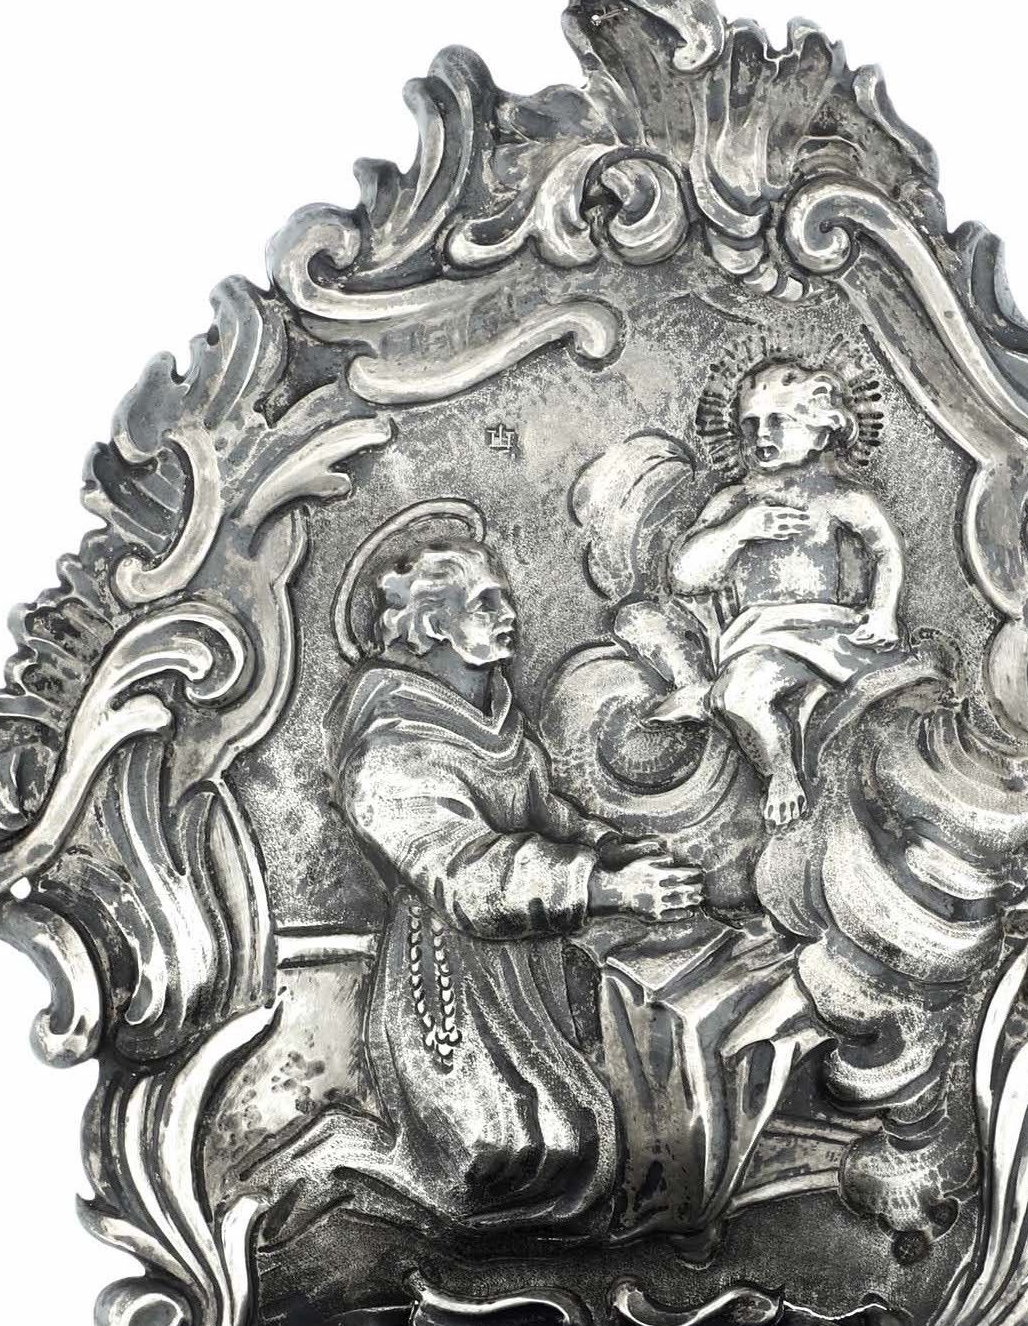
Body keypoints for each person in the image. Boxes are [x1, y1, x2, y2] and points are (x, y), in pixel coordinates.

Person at [257, 524, 702, 1242]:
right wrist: (607, 887)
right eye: (484, 602)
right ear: (432, 623)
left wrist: (609, 847)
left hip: (523, 972)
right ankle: (334, 1165)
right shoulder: (390, 750)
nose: (508, 615)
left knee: (574, 1144)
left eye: (504, 599)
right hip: (446, 979)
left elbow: (545, 813)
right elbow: (465, 875)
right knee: (496, 1154)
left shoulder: (496, 717)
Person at [663, 358, 906, 827]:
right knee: (738, 696)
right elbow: (685, 576)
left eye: (779, 420)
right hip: (761, 637)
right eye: (750, 424)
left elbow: (886, 551)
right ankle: (781, 773)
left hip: (830, 634)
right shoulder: (734, 501)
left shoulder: (841, 497)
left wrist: (883, 613)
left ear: (821, 429)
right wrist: (738, 531)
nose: (762, 435)